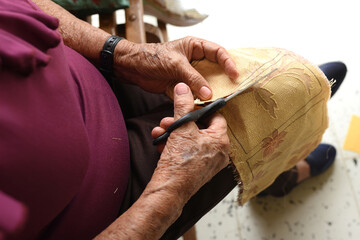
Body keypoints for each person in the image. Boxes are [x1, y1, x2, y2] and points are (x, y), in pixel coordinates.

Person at [0, 1, 346, 240]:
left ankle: (274, 168)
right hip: (118, 205)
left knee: (283, 91)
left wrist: (122, 55)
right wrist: (172, 190)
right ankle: (276, 173)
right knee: (280, 103)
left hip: (94, 74)